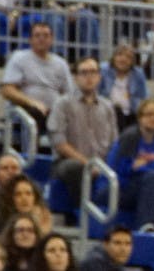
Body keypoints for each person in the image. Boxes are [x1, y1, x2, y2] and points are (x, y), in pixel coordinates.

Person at [47, 57, 118, 210]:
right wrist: (88, 164)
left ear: (99, 77)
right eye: (84, 72)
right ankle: (82, 214)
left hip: (102, 165)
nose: (89, 77)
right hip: (68, 162)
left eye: (93, 72)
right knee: (75, 167)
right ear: (76, 77)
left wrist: (104, 167)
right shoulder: (62, 104)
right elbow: (60, 144)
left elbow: (114, 143)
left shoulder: (107, 107)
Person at [105, 97, 154, 232]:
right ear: (140, 118)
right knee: (152, 176)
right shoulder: (130, 137)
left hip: (148, 184)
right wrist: (144, 167)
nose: (153, 118)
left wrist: (143, 165)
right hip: (120, 187)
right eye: (149, 114)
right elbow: (120, 169)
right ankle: (146, 225)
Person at [0, 22, 74, 132]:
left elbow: (69, 94)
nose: (42, 39)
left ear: (52, 39)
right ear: (30, 39)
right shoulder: (19, 58)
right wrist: (32, 103)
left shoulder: (61, 64)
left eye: (46, 36)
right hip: (24, 111)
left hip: (53, 113)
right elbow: (7, 90)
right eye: (37, 35)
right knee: (35, 113)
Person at [98, 44, 148, 132]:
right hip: (107, 113)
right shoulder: (103, 70)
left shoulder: (138, 74)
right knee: (117, 112)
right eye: (119, 55)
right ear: (113, 57)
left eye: (128, 57)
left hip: (131, 114)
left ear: (133, 61)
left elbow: (143, 97)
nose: (123, 59)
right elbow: (97, 93)